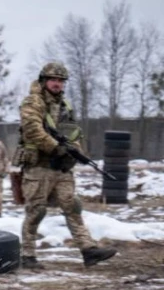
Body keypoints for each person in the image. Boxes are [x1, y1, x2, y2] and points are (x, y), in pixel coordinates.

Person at [17, 63, 116, 269]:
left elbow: (72, 132)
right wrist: (56, 148)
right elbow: (32, 129)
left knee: (72, 207)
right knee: (36, 211)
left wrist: (75, 152)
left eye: (61, 81)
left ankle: (88, 250)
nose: (57, 84)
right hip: (38, 167)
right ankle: (27, 254)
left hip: (61, 168)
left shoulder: (65, 106)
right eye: (53, 80)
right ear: (44, 80)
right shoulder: (33, 102)